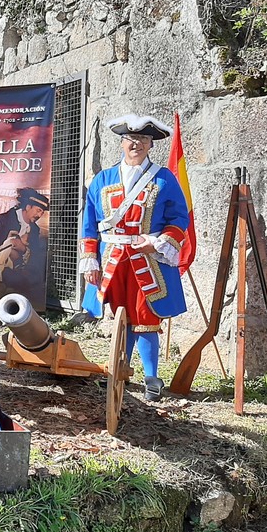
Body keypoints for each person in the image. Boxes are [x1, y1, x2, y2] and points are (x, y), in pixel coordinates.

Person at [79, 114, 189, 401]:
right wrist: (90, 258)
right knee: (120, 316)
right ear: (122, 143)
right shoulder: (102, 179)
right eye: (131, 139)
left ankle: (152, 377)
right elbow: (89, 224)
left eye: (142, 140)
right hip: (113, 259)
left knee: (146, 318)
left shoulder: (165, 179)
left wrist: (159, 243)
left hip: (148, 260)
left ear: (151, 144)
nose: (136, 144)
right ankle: (121, 370)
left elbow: (180, 219)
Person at [0, 187, 49, 290]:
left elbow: (35, 254)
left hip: (20, 272)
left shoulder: (35, 229)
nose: (39, 215)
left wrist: (23, 249)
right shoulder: (3, 220)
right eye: (38, 210)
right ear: (28, 207)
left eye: (42, 213)